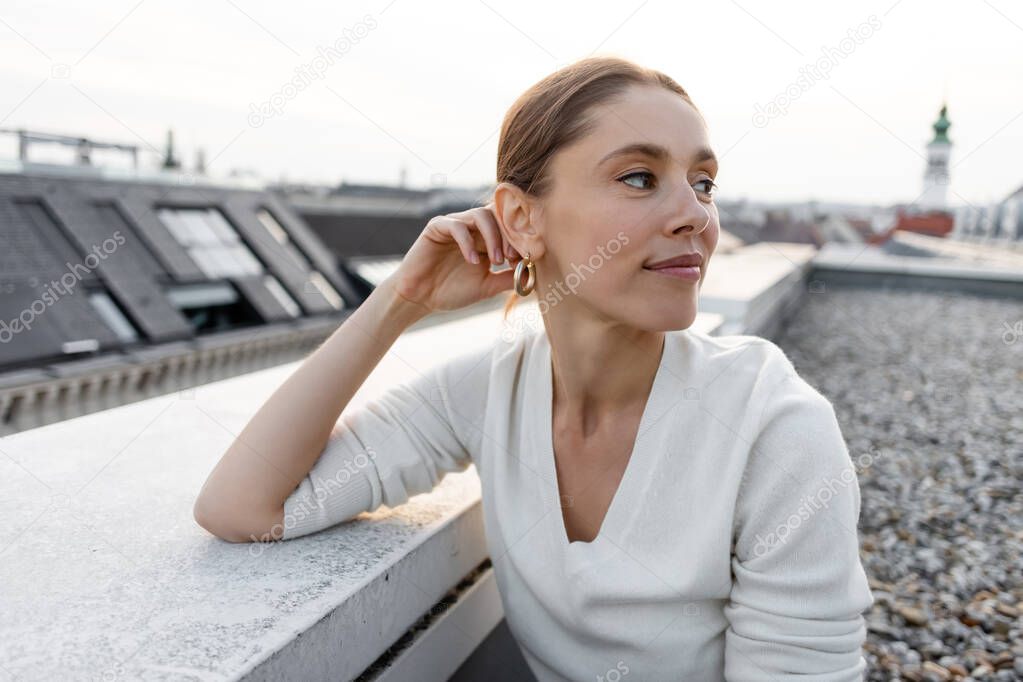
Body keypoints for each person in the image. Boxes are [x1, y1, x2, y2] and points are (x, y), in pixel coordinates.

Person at [194, 55, 875, 681]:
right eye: (640, 177)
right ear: (520, 218)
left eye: (703, 183)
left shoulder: (774, 428)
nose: (694, 214)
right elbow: (243, 508)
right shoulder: (487, 391)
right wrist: (399, 302)